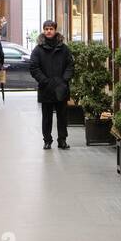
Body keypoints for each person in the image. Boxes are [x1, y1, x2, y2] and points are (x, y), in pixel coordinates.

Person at [29, 20, 74, 150]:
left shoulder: (64, 49)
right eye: (46, 29)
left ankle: (62, 140)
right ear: (43, 30)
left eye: (51, 29)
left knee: (62, 117)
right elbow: (34, 67)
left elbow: (70, 66)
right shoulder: (38, 49)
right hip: (46, 88)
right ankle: (47, 140)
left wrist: (64, 80)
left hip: (61, 88)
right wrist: (44, 81)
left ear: (55, 30)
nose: (48, 31)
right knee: (47, 117)